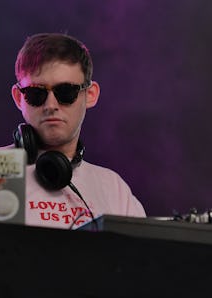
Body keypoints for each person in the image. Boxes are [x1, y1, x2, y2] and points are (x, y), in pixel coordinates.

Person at [9, 32, 145, 229]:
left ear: (90, 95)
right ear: (18, 97)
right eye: (36, 93)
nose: (51, 105)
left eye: (65, 92)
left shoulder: (114, 189)